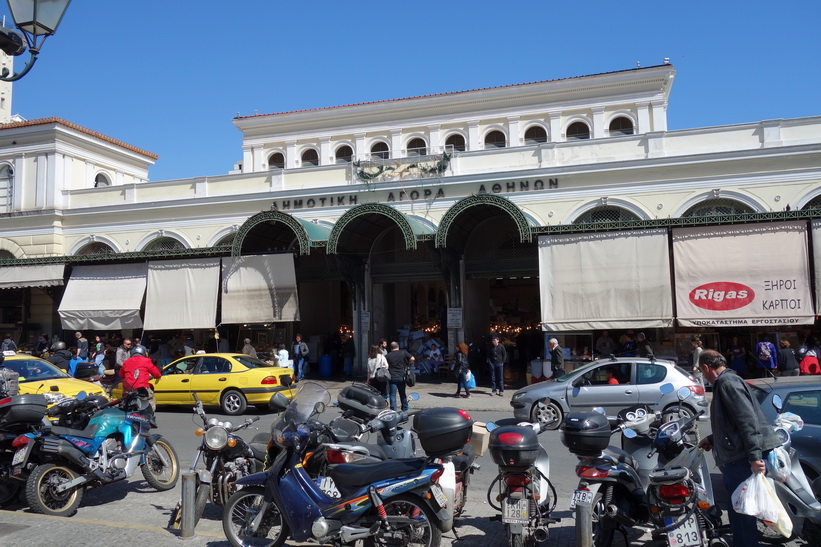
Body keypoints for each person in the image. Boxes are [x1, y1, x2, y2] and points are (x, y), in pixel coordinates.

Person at [697, 350, 781, 547]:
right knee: (742, 510)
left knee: (742, 512)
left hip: (742, 458)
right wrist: (713, 439)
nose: (704, 376)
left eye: (703, 372)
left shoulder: (727, 383)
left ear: (706, 368)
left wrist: (754, 457)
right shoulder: (728, 381)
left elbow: (747, 421)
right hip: (741, 455)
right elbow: (732, 422)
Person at [120, 345, 162, 411]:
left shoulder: (126, 362)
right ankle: (150, 415)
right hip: (142, 388)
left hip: (128, 389)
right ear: (144, 353)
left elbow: (121, 375)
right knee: (150, 400)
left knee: (125, 402)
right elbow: (157, 374)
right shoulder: (147, 361)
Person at [385, 341, 415, 411]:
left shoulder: (388, 355)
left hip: (392, 377)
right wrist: (408, 364)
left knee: (392, 395)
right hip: (401, 376)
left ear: (390, 348)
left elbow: (385, 365)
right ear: (398, 347)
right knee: (402, 393)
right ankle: (404, 408)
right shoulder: (403, 352)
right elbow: (412, 358)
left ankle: (393, 410)